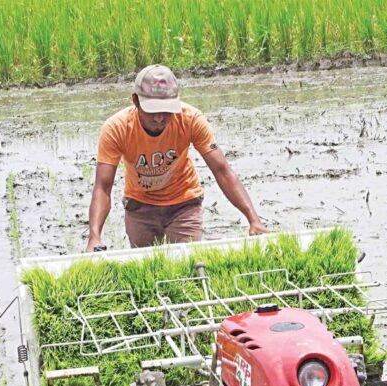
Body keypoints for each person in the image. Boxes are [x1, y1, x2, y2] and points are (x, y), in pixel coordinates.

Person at [86, 64, 267, 251]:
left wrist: (253, 220)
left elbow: (222, 171)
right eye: (152, 111)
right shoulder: (117, 128)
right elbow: (103, 187)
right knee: (146, 268)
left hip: (184, 203)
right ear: (136, 101)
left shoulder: (191, 119)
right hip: (140, 206)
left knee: (187, 263)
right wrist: (94, 237)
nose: (159, 119)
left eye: (166, 111)